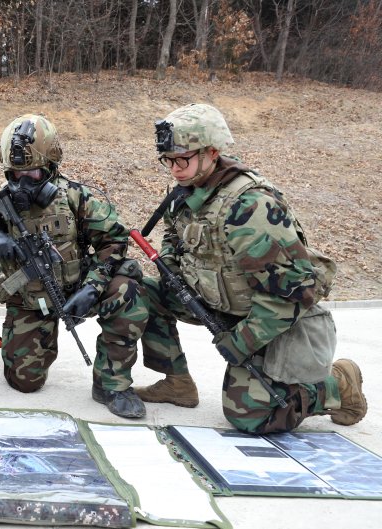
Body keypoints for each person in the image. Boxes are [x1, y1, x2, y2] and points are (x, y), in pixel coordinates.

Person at [135, 103, 366, 433]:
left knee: (249, 416)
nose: (174, 168)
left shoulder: (250, 206)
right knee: (138, 290)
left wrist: (240, 342)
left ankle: (337, 384)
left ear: (211, 152)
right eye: (168, 160)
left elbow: (293, 295)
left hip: (267, 318)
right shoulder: (189, 191)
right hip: (215, 302)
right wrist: (172, 267)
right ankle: (177, 383)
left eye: (182, 159)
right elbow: (175, 234)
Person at [0, 114, 149, 418]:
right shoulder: (0, 206)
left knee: (127, 289)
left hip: (77, 290)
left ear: (52, 167)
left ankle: (112, 384)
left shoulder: (77, 196)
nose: (23, 183)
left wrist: (94, 286)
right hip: (30, 300)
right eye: (15, 175)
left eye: (34, 174)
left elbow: (114, 242)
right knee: (24, 383)